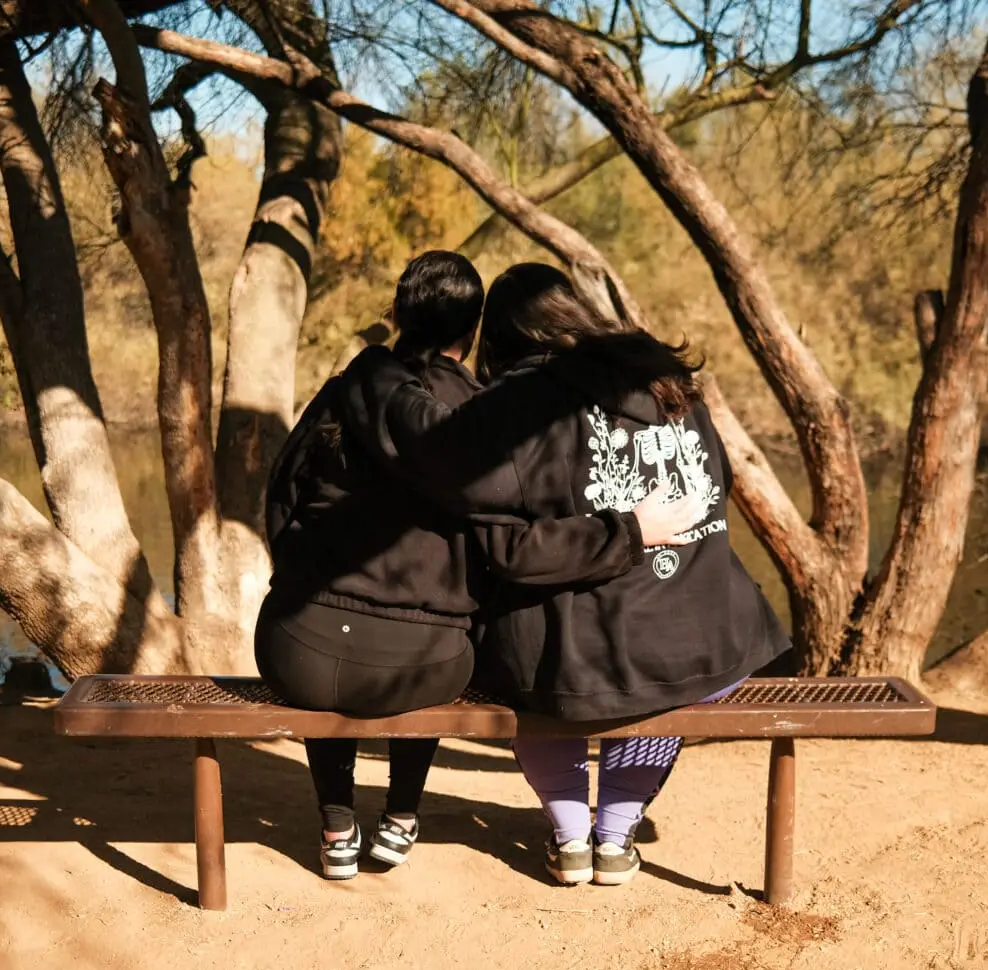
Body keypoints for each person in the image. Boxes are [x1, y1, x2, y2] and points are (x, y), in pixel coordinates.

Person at [338, 262, 792, 885]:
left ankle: (574, 835)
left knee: (526, 657)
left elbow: (511, 550)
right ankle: (617, 832)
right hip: (712, 639)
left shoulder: (523, 407)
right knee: (646, 672)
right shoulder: (670, 382)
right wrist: (636, 531)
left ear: (495, 339)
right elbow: (718, 487)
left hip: (586, 658)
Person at [258, 252, 705, 880]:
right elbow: (507, 550)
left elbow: (281, 497)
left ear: (397, 312)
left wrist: (295, 575)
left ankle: (336, 824)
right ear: (471, 334)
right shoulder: (488, 416)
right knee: (445, 635)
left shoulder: (345, 392)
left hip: (296, 650)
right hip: (426, 667)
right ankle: (402, 816)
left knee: (326, 626)